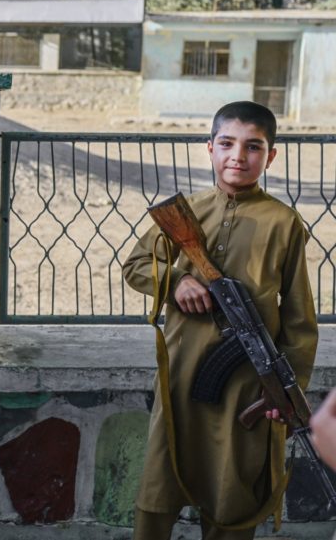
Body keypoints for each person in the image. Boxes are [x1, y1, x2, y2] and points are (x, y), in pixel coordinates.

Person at [123, 101, 317, 540]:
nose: (238, 156)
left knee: (234, 489)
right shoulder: (184, 214)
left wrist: (288, 390)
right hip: (182, 372)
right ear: (209, 149)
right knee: (161, 479)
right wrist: (176, 283)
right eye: (227, 144)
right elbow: (136, 266)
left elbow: (299, 316)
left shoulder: (283, 223)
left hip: (248, 381)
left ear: (269, 157)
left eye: (253, 147)